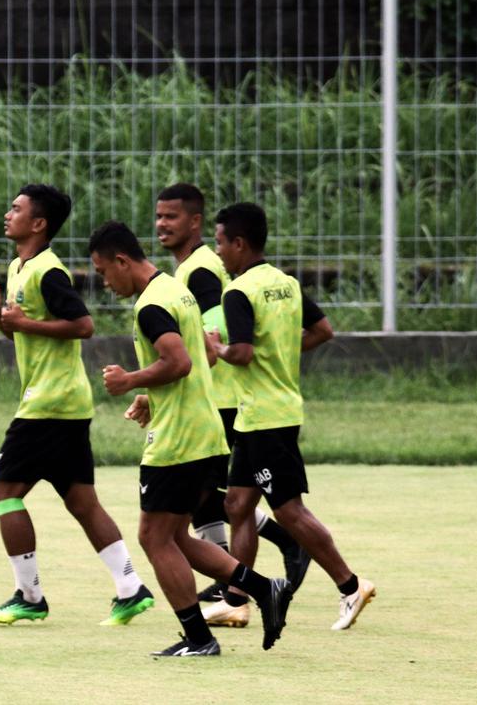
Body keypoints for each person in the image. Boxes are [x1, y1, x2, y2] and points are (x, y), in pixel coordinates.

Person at [89, 220, 293, 655]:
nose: (105, 283)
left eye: (104, 272)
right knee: (177, 537)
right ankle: (264, 588)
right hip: (206, 433)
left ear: (122, 261)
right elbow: (207, 352)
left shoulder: (150, 306)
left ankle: (199, 639)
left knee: (154, 538)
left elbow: (180, 362)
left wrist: (131, 380)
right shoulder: (175, 289)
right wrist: (151, 392)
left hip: (178, 441)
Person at [0, 185, 154, 627]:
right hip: (65, 402)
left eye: (16, 209)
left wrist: (23, 321)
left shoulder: (48, 272)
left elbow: (83, 325)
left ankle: (29, 596)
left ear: (38, 224)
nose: (7, 213)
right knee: (82, 502)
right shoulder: (19, 267)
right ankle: (130, 588)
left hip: (49, 404)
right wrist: (1, 320)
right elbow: (26, 334)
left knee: (3, 494)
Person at [206, 202, 376, 631]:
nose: (218, 250)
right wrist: (279, 353)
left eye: (221, 241)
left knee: (289, 511)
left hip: (265, 418)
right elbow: (323, 331)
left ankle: (351, 585)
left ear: (239, 243)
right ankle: (235, 599)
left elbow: (241, 353)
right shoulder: (285, 284)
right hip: (260, 415)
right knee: (238, 504)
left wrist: (217, 349)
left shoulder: (238, 292)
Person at [154, 183, 309, 626]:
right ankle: (241, 576)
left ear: (196, 222)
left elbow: (209, 337)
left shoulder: (202, 271)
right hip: (220, 395)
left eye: (172, 217)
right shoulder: (200, 267)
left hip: (219, 396)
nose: (162, 224)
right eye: (159, 216)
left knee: (203, 495)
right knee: (214, 496)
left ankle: (269, 556)